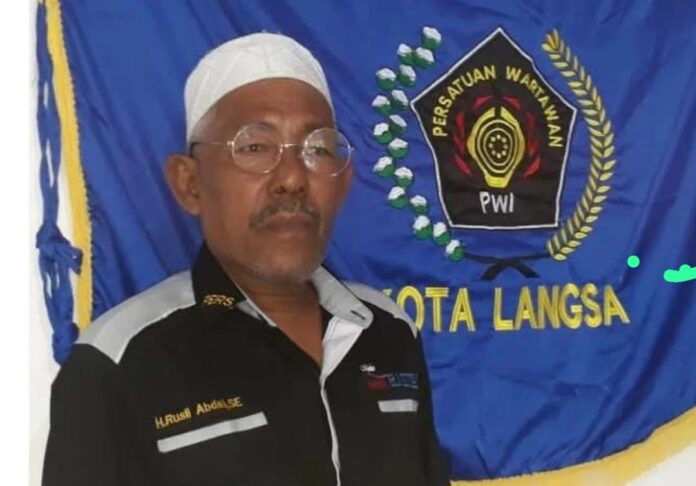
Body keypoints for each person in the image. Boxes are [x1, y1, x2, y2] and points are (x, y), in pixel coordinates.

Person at [43, 32, 450, 486]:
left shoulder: (387, 332)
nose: (293, 178)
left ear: (343, 181)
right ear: (189, 184)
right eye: (255, 147)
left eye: (317, 149)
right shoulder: (117, 363)